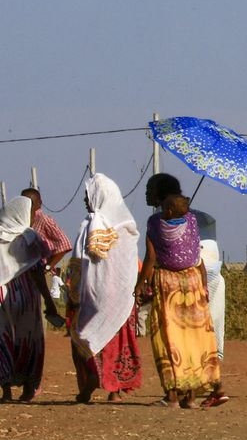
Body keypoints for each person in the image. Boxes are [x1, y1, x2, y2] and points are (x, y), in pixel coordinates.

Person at [143, 174, 228, 405]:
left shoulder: (153, 223)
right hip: (193, 281)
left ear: (162, 196)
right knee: (194, 337)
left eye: (150, 189)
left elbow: (151, 258)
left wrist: (140, 285)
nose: (146, 193)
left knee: (168, 337)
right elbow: (196, 256)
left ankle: (171, 392)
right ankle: (191, 395)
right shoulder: (191, 220)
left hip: (167, 283)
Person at [67, 172, 145, 404]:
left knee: (87, 336)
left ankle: (90, 383)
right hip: (121, 296)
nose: (84, 200)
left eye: (88, 195)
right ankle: (115, 390)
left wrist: (73, 294)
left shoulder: (89, 224)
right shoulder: (128, 227)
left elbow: (78, 263)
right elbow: (129, 265)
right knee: (118, 338)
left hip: (93, 294)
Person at [0, 197, 50, 402]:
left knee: (4, 340)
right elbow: (39, 272)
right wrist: (51, 303)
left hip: (3, 295)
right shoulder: (30, 237)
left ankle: (6, 391)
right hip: (28, 297)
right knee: (29, 340)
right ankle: (29, 388)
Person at [20, 188, 68, 328]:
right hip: (24, 273)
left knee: (38, 312)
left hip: (40, 272)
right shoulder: (22, 220)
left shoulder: (44, 220)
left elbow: (64, 244)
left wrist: (47, 267)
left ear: (39, 203)